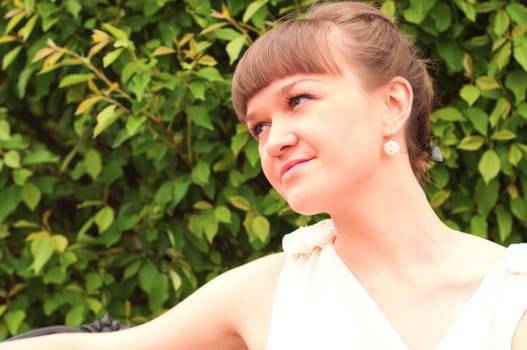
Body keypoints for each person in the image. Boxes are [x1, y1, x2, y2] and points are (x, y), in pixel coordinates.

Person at [1, 1, 526, 349]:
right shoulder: (266, 291)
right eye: (258, 126)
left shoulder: (513, 297)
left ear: (392, 104)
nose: (273, 140)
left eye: (299, 100)